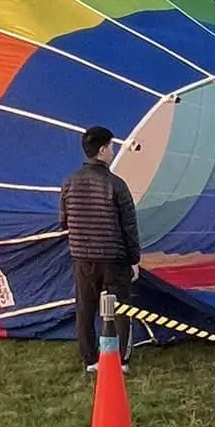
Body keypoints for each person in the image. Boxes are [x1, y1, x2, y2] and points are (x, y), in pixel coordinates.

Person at [60, 125, 141, 377]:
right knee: (120, 309)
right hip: (113, 260)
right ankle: (121, 360)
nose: (114, 151)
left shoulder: (69, 183)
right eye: (112, 147)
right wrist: (134, 259)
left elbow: (64, 222)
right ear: (103, 150)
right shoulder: (116, 185)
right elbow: (129, 226)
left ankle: (90, 360)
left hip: (82, 258)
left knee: (85, 307)